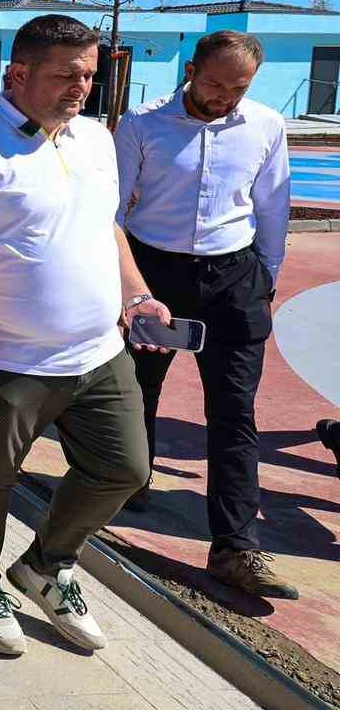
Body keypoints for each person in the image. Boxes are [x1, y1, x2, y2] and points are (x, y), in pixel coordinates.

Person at [0, 14, 165, 657]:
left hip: (98, 351)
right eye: (67, 75)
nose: (81, 87)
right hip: (10, 357)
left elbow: (106, 229)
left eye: (89, 75)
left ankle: (46, 564)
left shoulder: (95, 139)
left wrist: (137, 294)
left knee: (124, 468)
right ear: (20, 74)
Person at [116, 30, 296, 599]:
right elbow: (113, 210)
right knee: (138, 389)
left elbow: (272, 204)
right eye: (215, 83)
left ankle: (236, 546)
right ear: (190, 69)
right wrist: (126, 289)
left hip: (234, 278)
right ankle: (129, 482)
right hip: (155, 275)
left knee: (235, 411)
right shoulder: (141, 123)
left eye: (238, 88)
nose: (224, 97)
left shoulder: (266, 125)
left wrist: (265, 276)